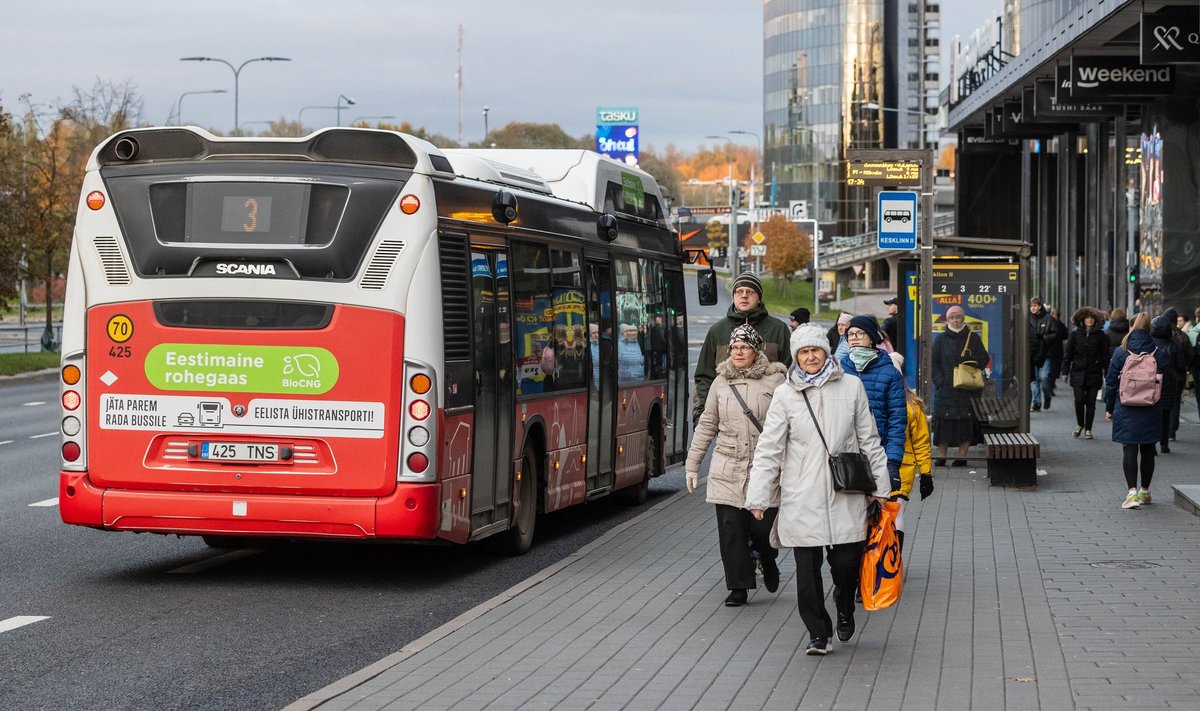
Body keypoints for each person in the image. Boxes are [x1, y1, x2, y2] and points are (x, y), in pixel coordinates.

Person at [745, 324, 892, 655]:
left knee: (845, 564)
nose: (811, 357)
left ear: (826, 352)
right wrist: (758, 496)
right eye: (804, 352)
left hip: (847, 491)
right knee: (807, 570)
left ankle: (844, 603)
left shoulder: (852, 386)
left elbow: (869, 439)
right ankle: (817, 632)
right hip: (802, 493)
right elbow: (769, 448)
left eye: (816, 350)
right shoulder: (785, 394)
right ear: (796, 357)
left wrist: (881, 486)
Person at [685, 325, 788, 607]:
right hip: (727, 465)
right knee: (731, 530)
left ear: (756, 350)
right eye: (734, 347)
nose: (738, 352)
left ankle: (768, 560)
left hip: (764, 466)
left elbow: (790, 425)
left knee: (762, 529)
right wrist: (692, 465)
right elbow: (707, 424)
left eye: (744, 347)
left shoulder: (776, 381)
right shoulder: (721, 382)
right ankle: (739, 587)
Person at [693, 272, 791, 424]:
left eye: (750, 292)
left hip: (768, 420)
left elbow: (790, 375)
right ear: (733, 296)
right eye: (739, 291)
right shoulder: (717, 331)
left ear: (759, 297)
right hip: (727, 420)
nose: (744, 295)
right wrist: (700, 412)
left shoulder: (778, 329)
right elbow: (704, 377)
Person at [838, 315, 907, 490]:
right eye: (850, 334)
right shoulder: (838, 369)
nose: (854, 338)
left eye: (859, 333)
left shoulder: (890, 373)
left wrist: (892, 462)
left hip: (878, 453)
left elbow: (897, 422)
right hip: (843, 454)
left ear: (871, 338)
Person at [1105, 312, 1166, 508]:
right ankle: (1145, 491)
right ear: (1150, 328)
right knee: (1148, 448)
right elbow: (1166, 380)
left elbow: (1111, 382)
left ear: (1132, 326)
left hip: (1126, 406)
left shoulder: (1122, 351)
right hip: (1151, 406)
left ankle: (1131, 493)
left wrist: (1109, 408)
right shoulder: (1157, 351)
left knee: (1129, 448)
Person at [887, 352, 933, 553]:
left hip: (893, 469)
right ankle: (893, 563)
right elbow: (921, 443)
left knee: (889, 514)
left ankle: (883, 561)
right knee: (896, 514)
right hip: (903, 470)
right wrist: (925, 473)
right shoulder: (913, 405)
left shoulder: (910, 406)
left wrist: (926, 473)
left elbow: (921, 442)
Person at [929, 305, 984, 466]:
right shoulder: (940, 339)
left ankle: (962, 457)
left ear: (963, 318)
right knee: (943, 423)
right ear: (947, 319)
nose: (955, 320)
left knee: (965, 423)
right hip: (945, 388)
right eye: (952, 317)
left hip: (966, 388)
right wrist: (940, 381)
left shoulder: (973, 338)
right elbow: (933, 362)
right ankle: (942, 456)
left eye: (958, 317)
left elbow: (983, 358)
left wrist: (970, 363)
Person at [1063, 306, 1110, 439]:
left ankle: (1088, 428)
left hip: (1094, 373)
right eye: (1086, 318)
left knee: (1091, 402)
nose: (1089, 320)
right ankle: (1080, 424)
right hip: (1077, 372)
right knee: (1079, 400)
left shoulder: (1102, 336)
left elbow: (1105, 356)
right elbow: (1068, 354)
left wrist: (1107, 373)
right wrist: (1065, 372)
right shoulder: (1075, 335)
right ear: (1082, 319)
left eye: (1092, 318)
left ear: (1096, 320)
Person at [1149, 313, 1188, 452]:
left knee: (1152, 416)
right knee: (1165, 415)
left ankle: (1151, 444)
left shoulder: (1148, 343)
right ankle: (1164, 444)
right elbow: (1180, 364)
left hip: (1150, 384)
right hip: (1168, 384)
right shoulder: (1173, 344)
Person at [1029, 296, 1064, 412]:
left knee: (1043, 378)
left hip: (1046, 353)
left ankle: (1047, 396)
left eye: (1035, 306)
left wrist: (1043, 338)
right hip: (1032, 353)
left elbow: (1056, 334)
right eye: (1031, 306)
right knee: (1033, 379)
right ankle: (1036, 402)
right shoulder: (1027, 318)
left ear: (1039, 306)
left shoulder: (1048, 318)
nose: (1033, 308)